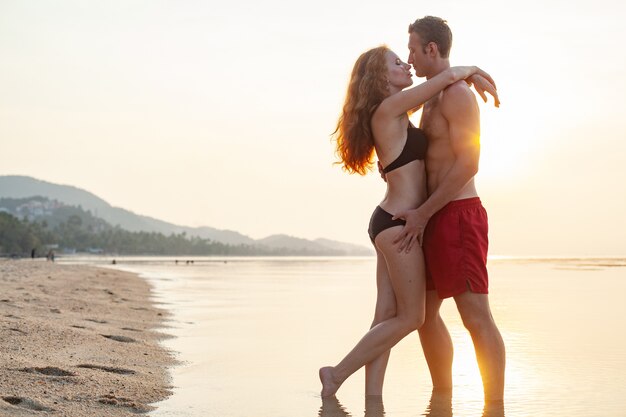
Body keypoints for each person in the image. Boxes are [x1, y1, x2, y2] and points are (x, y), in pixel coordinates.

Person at [319, 43, 497, 397]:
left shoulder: (394, 112)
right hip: (398, 224)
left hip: (389, 220)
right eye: (397, 62)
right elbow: (444, 77)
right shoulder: (389, 107)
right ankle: (335, 374)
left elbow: (437, 89)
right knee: (412, 317)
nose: (406, 64)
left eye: (405, 58)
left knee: (385, 316)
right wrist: (472, 68)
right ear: (380, 77)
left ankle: (373, 400)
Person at [391, 16, 506, 404]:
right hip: (429, 217)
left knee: (475, 318)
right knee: (423, 316)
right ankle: (441, 401)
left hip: (456, 215)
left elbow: (468, 163)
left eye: (412, 48)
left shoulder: (457, 94)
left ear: (432, 49)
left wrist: (423, 213)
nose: (409, 57)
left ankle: (495, 406)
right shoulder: (431, 95)